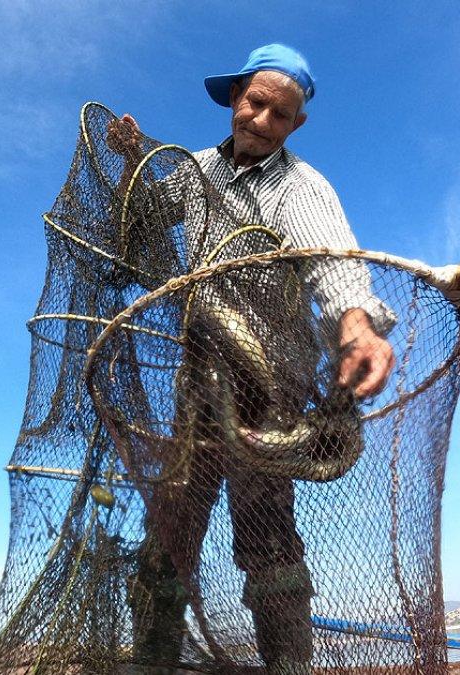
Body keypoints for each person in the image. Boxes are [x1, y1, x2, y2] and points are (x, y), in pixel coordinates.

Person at [109, 44, 396, 674]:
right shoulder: (195, 171)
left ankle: (287, 667)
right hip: (200, 376)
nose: (262, 121)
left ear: (297, 125)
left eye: (280, 114)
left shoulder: (301, 186)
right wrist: (131, 160)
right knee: (172, 526)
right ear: (236, 97)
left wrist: (356, 330)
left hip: (274, 384)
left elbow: (333, 262)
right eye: (255, 103)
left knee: (265, 532)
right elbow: (144, 221)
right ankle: (152, 661)